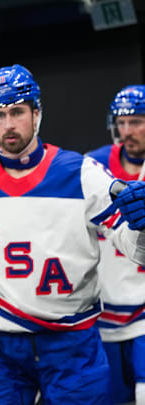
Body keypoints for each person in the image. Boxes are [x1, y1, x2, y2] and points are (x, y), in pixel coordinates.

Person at [0, 65, 145, 405]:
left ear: (36, 113)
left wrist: (141, 226)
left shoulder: (82, 173)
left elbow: (135, 251)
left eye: (17, 112)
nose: (8, 124)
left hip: (71, 343)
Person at [88, 85, 145, 405]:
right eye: (121, 123)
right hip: (104, 313)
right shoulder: (93, 169)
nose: (127, 131)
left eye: (136, 121)